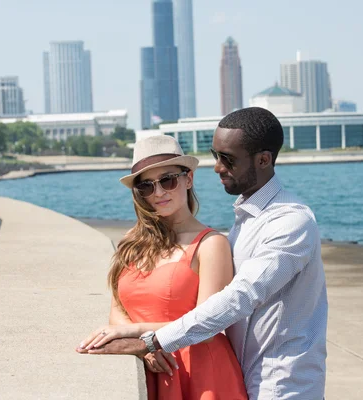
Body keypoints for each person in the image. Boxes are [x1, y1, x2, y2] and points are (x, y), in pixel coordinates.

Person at [78, 107, 328, 399]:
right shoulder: (245, 221)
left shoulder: (290, 221)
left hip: (282, 385)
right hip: (243, 375)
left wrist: (150, 341)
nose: (218, 167)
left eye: (228, 159)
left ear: (263, 160)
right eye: (216, 156)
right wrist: (145, 342)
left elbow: (240, 297)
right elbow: (119, 303)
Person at [78, 135, 248, 399]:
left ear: (188, 179)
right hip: (154, 368)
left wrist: (138, 336)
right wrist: (144, 349)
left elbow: (208, 327)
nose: (158, 193)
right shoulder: (131, 242)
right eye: (146, 186)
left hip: (202, 375)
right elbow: (118, 310)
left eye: (167, 180)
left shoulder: (211, 244)